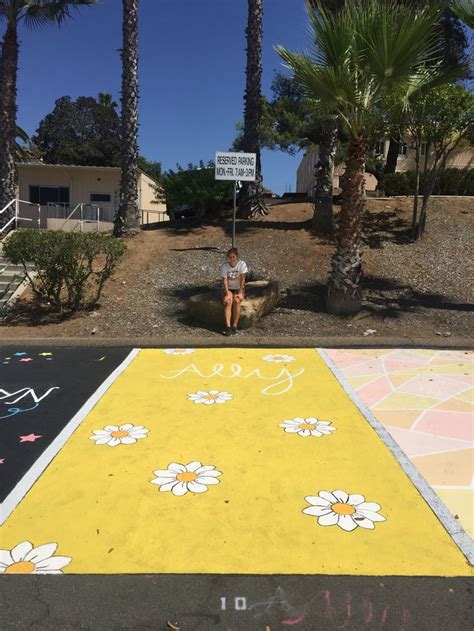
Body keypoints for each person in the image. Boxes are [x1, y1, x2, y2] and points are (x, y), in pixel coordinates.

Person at [220, 247, 248, 336]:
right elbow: (224, 280)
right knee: (228, 301)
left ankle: (234, 325)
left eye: (233, 257)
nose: (232, 259)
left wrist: (240, 291)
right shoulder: (224, 266)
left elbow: (243, 279)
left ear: (237, 257)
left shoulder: (241, 264)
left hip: (238, 287)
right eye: (230, 257)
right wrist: (227, 292)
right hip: (228, 288)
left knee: (237, 300)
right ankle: (228, 326)